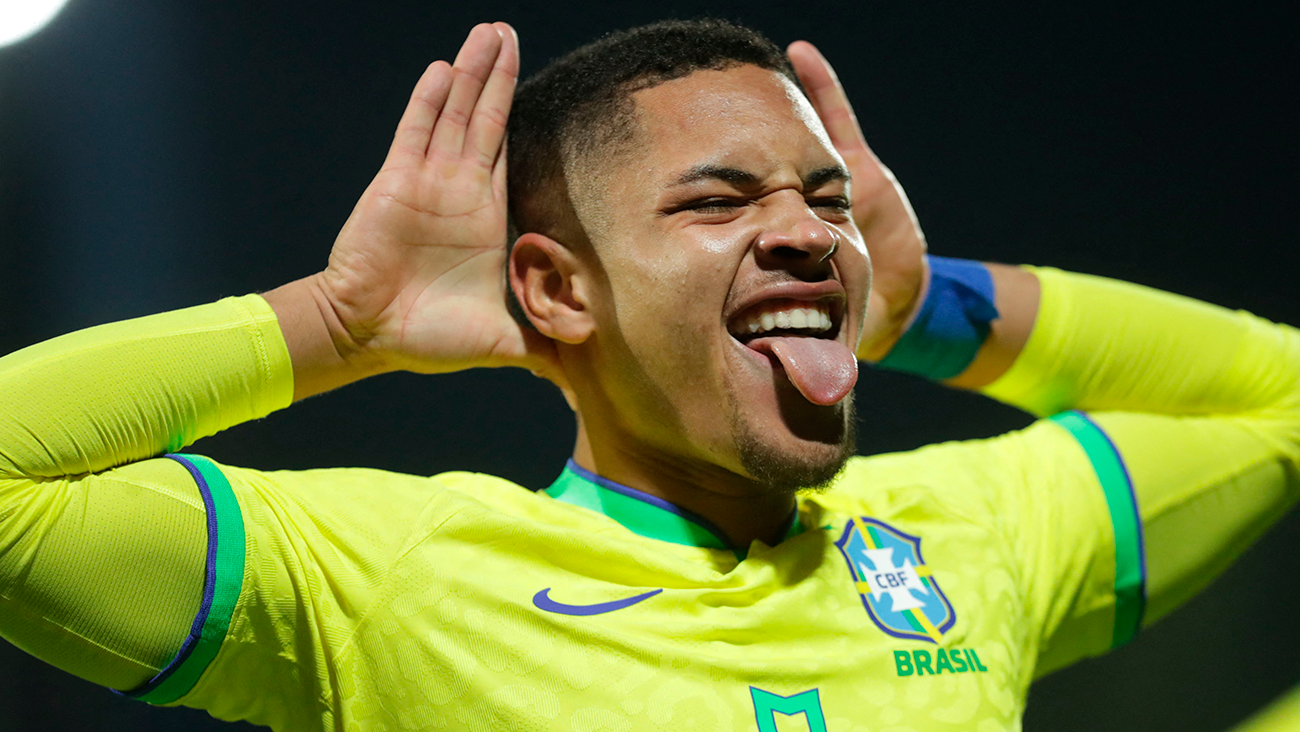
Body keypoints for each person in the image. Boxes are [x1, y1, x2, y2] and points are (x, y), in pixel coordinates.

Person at [0, 17, 1296, 732]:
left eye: (825, 200)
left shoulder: (970, 539)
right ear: (559, 291)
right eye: (717, 202)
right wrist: (335, 325)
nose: (801, 231)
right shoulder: (393, 581)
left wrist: (930, 307)